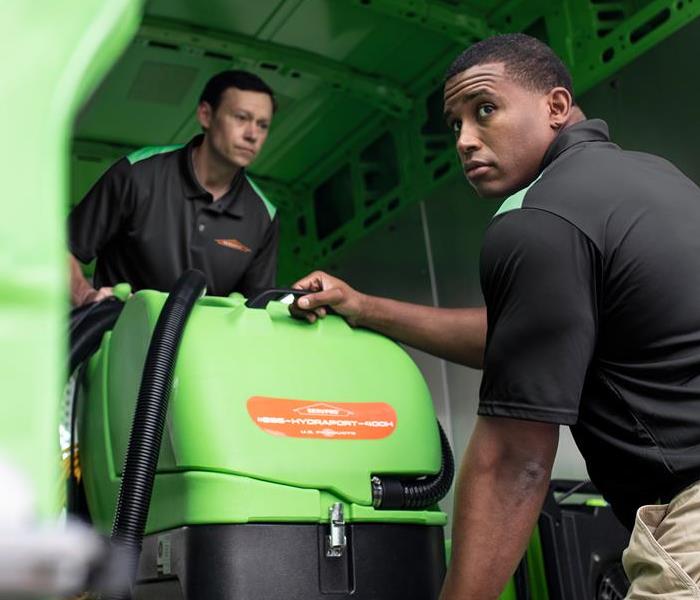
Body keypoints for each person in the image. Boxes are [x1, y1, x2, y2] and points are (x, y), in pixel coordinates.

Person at [293, 34, 700, 599]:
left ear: (556, 106)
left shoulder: (540, 219)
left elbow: (515, 458)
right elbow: (522, 341)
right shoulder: (657, 179)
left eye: (484, 110)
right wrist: (364, 308)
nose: (464, 140)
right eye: (454, 124)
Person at [69, 70, 280, 306]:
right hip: (115, 335)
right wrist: (86, 296)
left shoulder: (264, 216)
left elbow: (257, 309)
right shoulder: (138, 174)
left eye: (262, 125)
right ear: (206, 115)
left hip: (197, 342)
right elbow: (63, 250)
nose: (253, 135)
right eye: (241, 118)